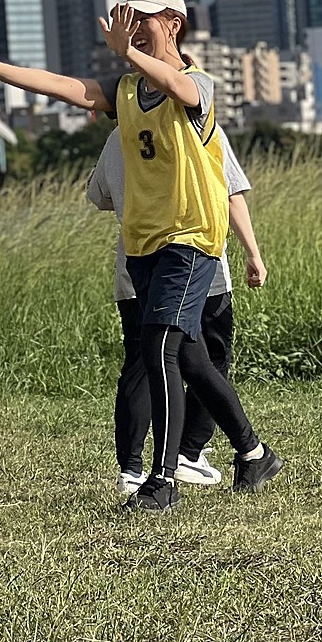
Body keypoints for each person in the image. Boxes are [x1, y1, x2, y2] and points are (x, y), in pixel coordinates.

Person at [0, 0, 282, 513]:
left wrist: (126, 51)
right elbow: (64, 86)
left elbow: (180, 87)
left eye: (141, 20)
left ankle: (161, 480)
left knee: (158, 346)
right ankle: (253, 452)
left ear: (173, 24)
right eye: (124, 20)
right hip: (143, 244)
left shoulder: (198, 83)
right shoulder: (127, 90)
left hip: (191, 239)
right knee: (193, 359)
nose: (130, 29)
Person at [86, 125, 268, 493]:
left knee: (144, 362)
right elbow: (230, 192)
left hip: (134, 264)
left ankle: (135, 470)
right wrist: (253, 252)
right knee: (205, 359)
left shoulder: (118, 137)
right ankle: (187, 457)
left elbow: (99, 195)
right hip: (197, 264)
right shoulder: (197, 130)